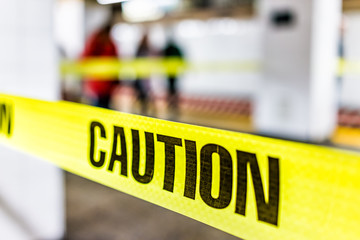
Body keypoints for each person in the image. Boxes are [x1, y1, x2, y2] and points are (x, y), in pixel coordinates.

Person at [81, 21, 119, 109]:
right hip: (96, 83)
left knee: (105, 106)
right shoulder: (94, 43)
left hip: (107, 84)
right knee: (97, 106)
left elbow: (116, 60)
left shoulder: (111, 44)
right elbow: (84, 60)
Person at [163, 36, 184, 116]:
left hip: (170, 71)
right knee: (173, 88)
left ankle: (172, 103)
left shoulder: (168, 49)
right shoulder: (174, 49)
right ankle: (173, 103)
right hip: (173, 71)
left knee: (171, 88)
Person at [134, 33, 152, 114]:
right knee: (141, 96)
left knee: (145, 96)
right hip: (140, 77)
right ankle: (141, 111)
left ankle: (144, 111)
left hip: (146, 77)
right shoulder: (140, 49)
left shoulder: (147, 49)